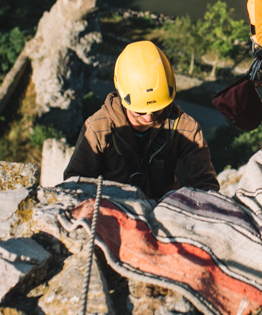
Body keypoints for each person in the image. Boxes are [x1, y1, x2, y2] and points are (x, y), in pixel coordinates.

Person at [63, 40, 219, 199]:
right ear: (122, 95)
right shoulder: (99, 128)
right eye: (140, 111)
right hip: (112, 207)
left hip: (162, 207)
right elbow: (75, 182)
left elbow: (205, 183)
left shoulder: (185, 128)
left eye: (157, 109)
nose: (149, 117)